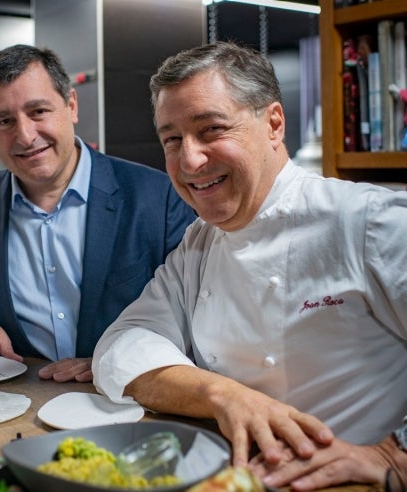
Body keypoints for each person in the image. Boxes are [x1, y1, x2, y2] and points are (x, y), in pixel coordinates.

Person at [92, 41, 407, 490]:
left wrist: (390, 455)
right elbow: (123, 343)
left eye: (212, 129)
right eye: (172, 139)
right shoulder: (200, 242)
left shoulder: (367, 221)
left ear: (274, 124)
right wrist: (224, 396)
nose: (190, 160)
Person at [0, 44, 195, 382]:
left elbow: (191, 313)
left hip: (127, 400)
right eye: (5, 121)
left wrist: (114, 360)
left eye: (38, 111)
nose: (25, 136)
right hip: (20, 407)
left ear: (71, 105)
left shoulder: (156, 198)